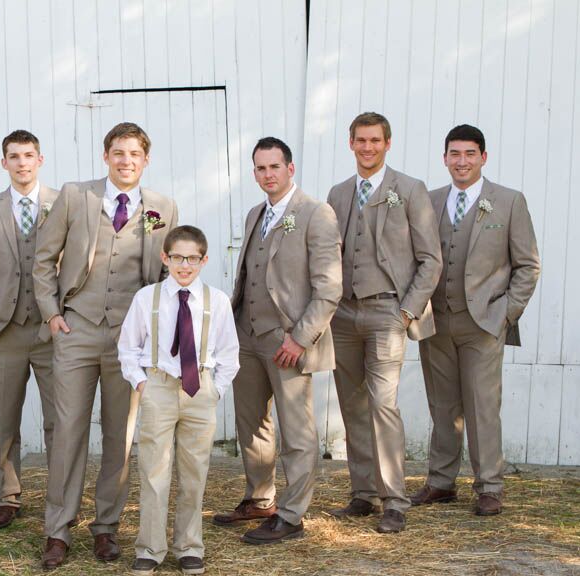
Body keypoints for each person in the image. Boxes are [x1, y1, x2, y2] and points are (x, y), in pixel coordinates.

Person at [34, 122, 178, 569]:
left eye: (134, 153)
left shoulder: (162, 208)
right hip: (77, 330)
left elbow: (166, 275)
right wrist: (53, 316)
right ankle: (58, 530)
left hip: (128, 339)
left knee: (121, 434)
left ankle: (106, 528)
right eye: (118, 152)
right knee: (68, 432)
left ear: (145, 159)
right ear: (106, 156)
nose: (126, 160)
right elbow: (42, 260)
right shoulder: (77, 196)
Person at [213, 137, 342, 544]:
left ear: (290, 168)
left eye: (274, 167)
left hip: (288, 339)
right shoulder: (256, 213)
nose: (267, 174)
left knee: (296, 429)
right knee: (251, 423)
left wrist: (301, 338)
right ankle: (260, 497)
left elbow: (329, 288)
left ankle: (292, 514)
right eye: (260, 168)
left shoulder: (316, 213)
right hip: (246, 336)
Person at [413, 124, 540, 516]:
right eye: (454, 153)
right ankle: (441, 482)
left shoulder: (508, 201)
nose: (461, 161)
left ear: (483, 157)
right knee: (442, 406)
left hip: (484, 323)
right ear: (445, 158)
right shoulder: (427, 202)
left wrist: (505, 314)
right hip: (436, 322)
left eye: (469, 153)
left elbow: (528, 266)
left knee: (483, 406)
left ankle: (489, 486)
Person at [326, 112, 442, 533]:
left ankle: (395, 499)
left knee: (383, 403)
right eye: (361, 140)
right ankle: (364, 493)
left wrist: (407, 310)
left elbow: (431, 259)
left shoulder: (409, 189)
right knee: (351, 405)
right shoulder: (338, 193)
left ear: (387, 143)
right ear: (351, 143)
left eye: (375, 140)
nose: (368, 147)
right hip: (343, 313)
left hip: (387, 311)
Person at [118, 225, 239, 576]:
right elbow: (128, 347)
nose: (184, 266)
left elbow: (229, 352)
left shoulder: (215, 301)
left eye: (191, 259)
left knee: (194, 471)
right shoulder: (147, 299)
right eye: (176, 258)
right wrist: (141, 383)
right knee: (154, 471)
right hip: (158, 386)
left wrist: (216, 389)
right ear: (165, 258)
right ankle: (150, 549)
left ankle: (189, 546)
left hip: (199, 388)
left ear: (203, 260)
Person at [0, 129, 58, 530]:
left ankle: (61, 497)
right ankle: (8, 497)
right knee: (5, 420)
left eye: (28, 155)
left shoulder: (62, 205)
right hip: (3, 332)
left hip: (49, 332)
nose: (22, 163)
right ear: (3, 163)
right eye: (14, 156)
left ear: (39, 160)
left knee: (60, 419)